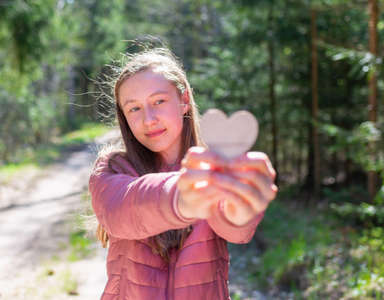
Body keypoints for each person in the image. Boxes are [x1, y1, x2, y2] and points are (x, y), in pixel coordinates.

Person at [89, 45, 278, 300]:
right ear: (124, 116)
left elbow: (237, 231)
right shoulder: (112, 168)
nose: (149, 119)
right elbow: (119, 211)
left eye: (158, 101)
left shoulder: (214, 169)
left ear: (184, 100)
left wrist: (241, 212)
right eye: (134, 108)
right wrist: (183, 197)